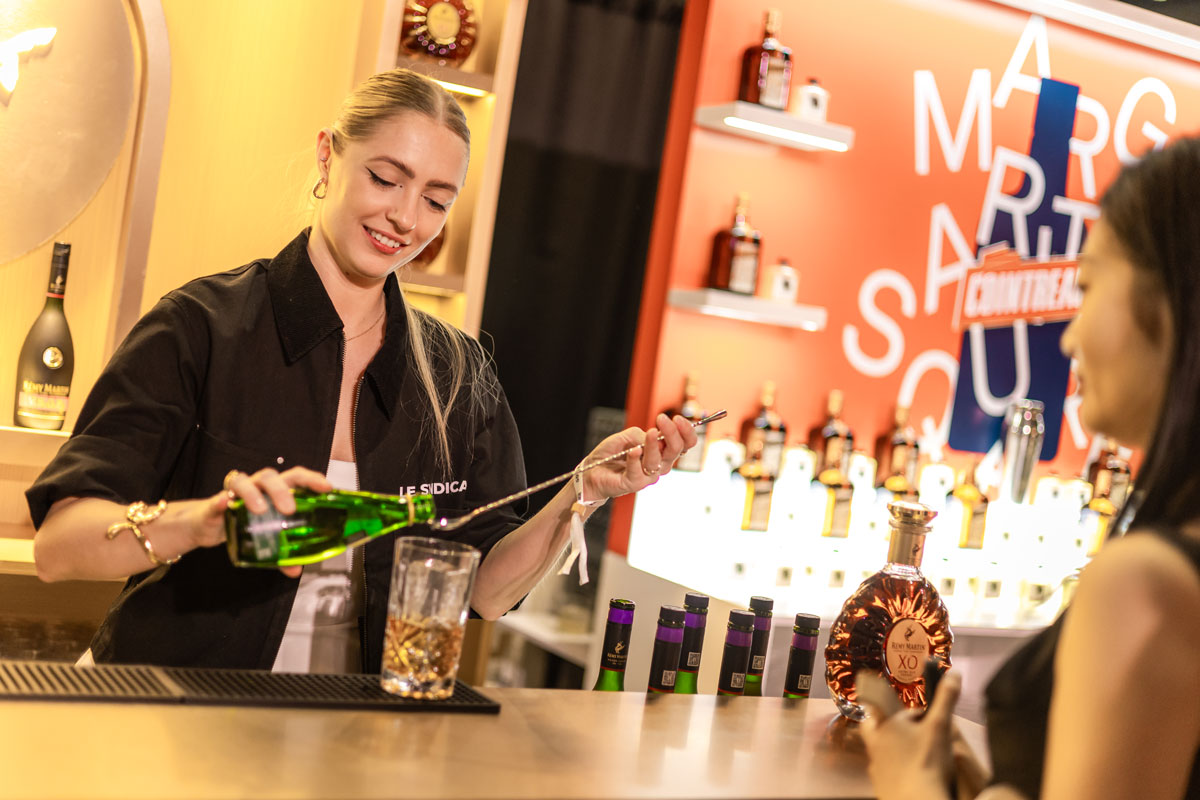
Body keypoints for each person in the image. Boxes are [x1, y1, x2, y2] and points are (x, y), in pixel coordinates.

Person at [26, 68, 698, 673]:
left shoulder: (458, 374)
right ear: (328, 155)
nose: (405, 218)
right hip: (171, 711)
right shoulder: (201, 326)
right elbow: (60, 546)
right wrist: (202, 523)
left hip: (351, 726)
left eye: (436, 200)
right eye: (385, 178)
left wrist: (583, 491)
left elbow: (488, 593)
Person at [861, 135, 1200, 799]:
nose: (1069, 336)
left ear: (1169, 303)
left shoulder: (1143, 586)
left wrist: (911, 786)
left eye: (1088, 286)